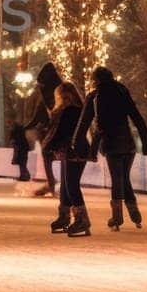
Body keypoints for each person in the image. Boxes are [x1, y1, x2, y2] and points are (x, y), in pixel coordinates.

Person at [72, 67, 147, 232]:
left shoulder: (94, 97)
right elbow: (137, 117)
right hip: (128, 143)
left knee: (117, 178)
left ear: (96, 80)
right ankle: (134, 213)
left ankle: (117, 216)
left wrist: (77, 143)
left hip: (111, 143)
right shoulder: (122, 91)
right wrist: (145, 142)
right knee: (124, 178)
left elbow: (83, 123)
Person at [44, 82, 89, 235]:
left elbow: (62, 132)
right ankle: (64, 215)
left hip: (74, 151)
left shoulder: (71, 111)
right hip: (71, 150)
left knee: (71, 185)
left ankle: (82, 219)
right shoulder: (74, 110)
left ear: (63, 96)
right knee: (65, 185)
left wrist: (49, 145)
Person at [23, 62, 64, 195]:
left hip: (51, 129)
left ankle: (52, 183)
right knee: (63, 156)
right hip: (62, 128)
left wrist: (29, 126)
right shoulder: (63, 88)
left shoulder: (48, 92)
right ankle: (58, 183)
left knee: (48, 155)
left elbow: (40, 111)